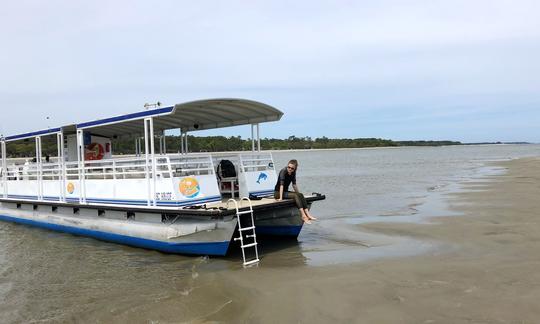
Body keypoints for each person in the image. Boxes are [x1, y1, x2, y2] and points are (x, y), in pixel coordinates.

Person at [274, 159, 317, 224]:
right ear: (287, 166)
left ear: (295, 169)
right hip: (277, 193)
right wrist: (280, 198)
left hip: (285, 192)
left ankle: (308, 215)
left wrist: (299, 194)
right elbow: (281, 185)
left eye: (292, 168)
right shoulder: (283, 171)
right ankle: (303, 216)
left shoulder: (293, 173)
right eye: (289, 167)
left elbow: (294, 185)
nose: (290, 169)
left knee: (300, 194)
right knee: (296, 195)